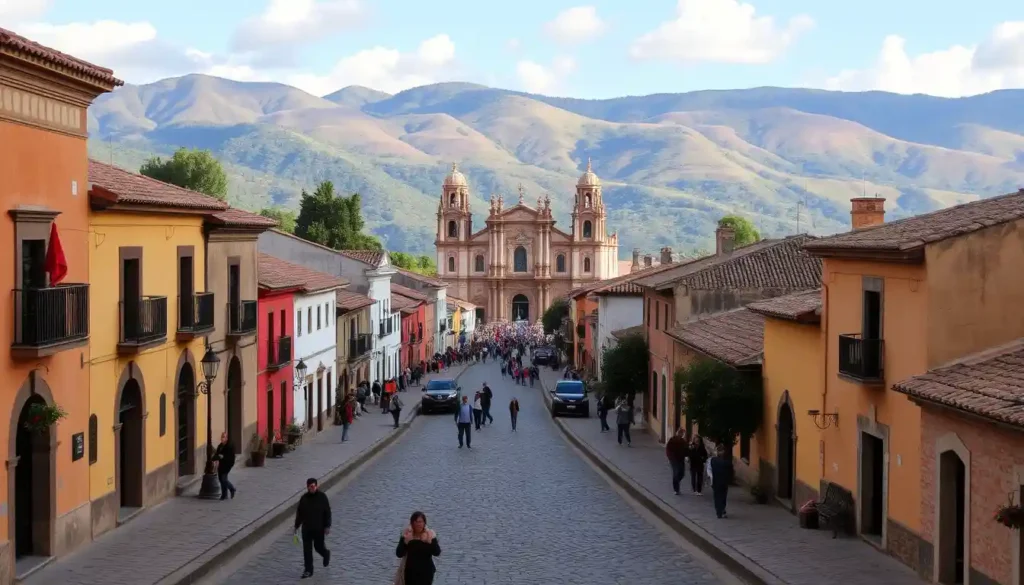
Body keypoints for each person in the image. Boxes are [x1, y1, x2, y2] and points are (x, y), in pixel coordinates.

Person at [294, 477, 331, 579]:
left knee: (318, 547)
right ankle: (308, 570)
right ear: (307, 487)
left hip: (319, 529)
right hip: (307, 529)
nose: (312, 488)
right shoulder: (304, 499)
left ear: (316, 486)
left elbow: (327, 512)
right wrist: (296, 526)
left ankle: (326, 553)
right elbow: (299, 514)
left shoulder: (322, 497)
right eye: (310, 487)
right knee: (307, 550)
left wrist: (327, 526)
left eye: (314, 486)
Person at [395, 511, 441, 585]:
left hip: (426, 572)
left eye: (420, 522)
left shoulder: (430, 534)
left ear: (424, 523)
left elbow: (437, 552)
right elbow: (399, 554)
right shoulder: (406, 534)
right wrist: (406, 542)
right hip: (410, 573)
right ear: (412, 523)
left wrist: (429, 541)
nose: (418, 524)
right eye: (416, 522)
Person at [710, 444, 733, 518]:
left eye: (721, 451)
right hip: (722, 481)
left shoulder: (713, 460)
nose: (721, 452)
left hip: (717, 481)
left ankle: (719, 511)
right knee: (722, 496)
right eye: (720, 451)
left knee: (718, 497)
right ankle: (721, 510)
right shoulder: (726, 462)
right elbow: (730, 470)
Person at [212, 431, 236, 500]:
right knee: (220, 478)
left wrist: (223, 456)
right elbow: (217, 454)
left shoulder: (230, 446)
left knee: (223, 478)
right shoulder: (220, 446)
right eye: (222, 437)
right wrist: (213, 459)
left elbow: (231, 457)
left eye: (224, 437)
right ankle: (224, 495)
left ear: (227, 438)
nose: (222, 438)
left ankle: (232, 488)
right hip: (222, 464)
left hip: (228, 464)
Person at [666, 428, 689, 495]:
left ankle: (676, 482)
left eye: (682, 433)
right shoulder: (672, 440)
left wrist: (687, 455)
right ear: (677, 433)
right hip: (673, 460)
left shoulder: (683, 441)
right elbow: (668, 449)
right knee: (676, 472)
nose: (681, 434)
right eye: (680, 433)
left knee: (682, 473)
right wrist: (670, 457)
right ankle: (676, 489)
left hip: (681, 459)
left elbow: (686, 450)